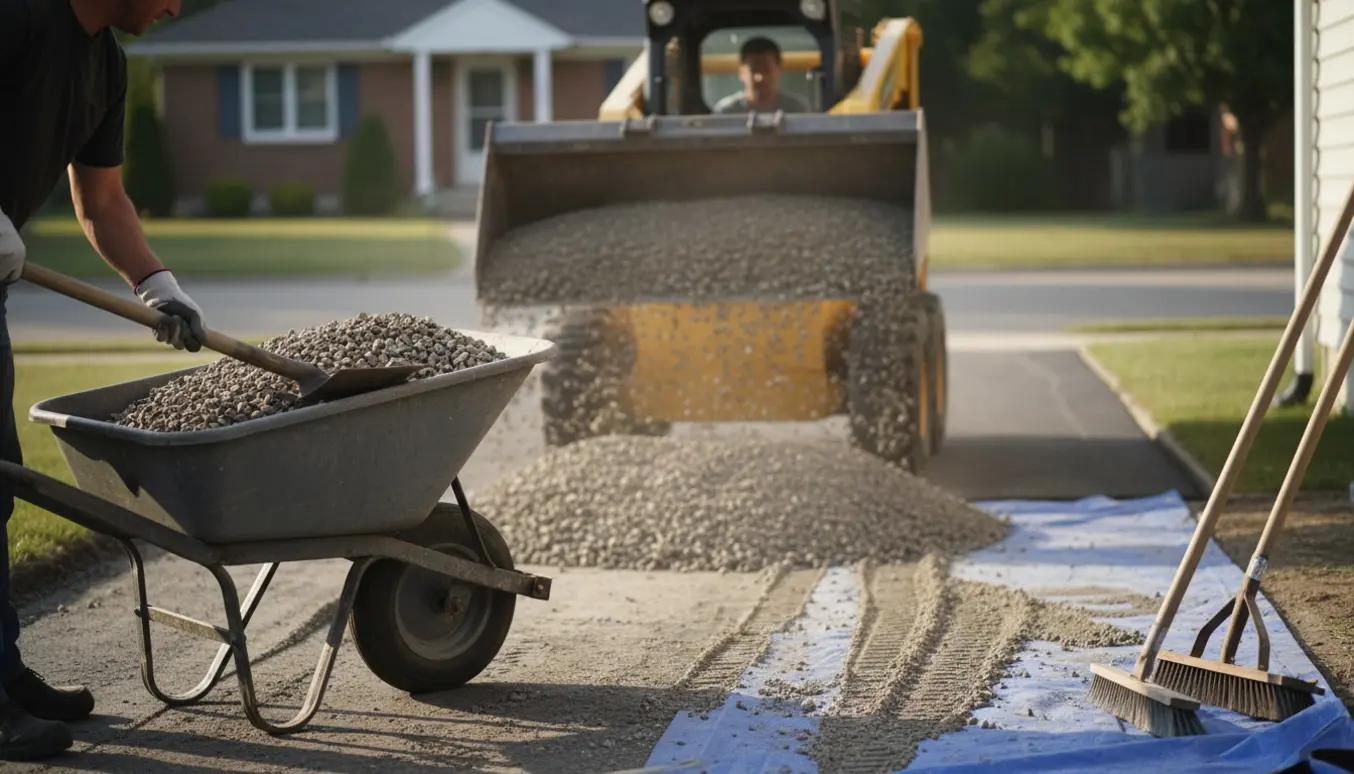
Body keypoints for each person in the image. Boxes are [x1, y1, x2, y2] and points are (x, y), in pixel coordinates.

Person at [0, 0, 207, 761]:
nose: (176, 5)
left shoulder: (106, 64)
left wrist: (157, 285)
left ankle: (4, 673)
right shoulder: (19, 18)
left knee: (0, 483)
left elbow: (104, 201)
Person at [712, 36, 811, 115]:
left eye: (766, 70)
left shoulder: (797, 109)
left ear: (779, 70)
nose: (760, 77)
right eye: (754, 70)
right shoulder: (725, 112)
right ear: (741, 72)